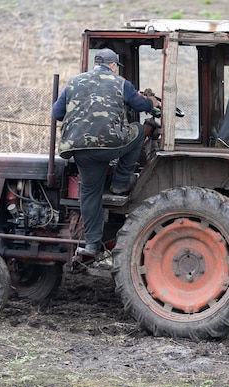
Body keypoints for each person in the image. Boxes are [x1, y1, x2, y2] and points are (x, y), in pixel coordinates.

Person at [52, 48, 158, 257]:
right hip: (110, 146)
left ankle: (91, 244)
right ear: (112, 66)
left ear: (95, 64)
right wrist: (151, 102)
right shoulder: (120, 82)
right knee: (137, 129)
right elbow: (139, 104)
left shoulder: (74, 82)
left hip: (80, 149)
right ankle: (120, 182)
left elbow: (57, 113)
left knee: (90, 193)